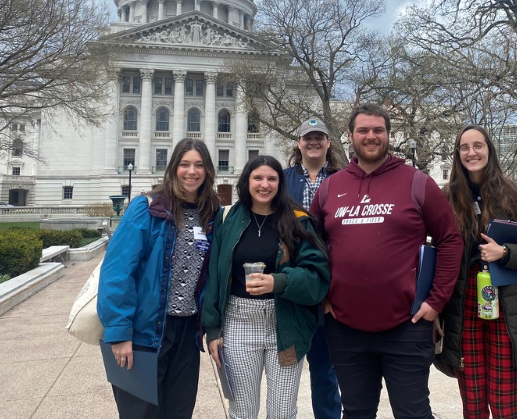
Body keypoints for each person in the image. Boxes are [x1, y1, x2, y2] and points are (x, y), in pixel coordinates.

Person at [310, 103, 464, 419]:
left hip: (406, 326)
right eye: (363, 130)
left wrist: (435, 302)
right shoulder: (331, 187)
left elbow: (450, 240)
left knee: (413, 413)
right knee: (356, 412)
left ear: (388, 135)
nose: (371, 136)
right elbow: (309, 247)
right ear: (350, 136)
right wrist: (323, 297)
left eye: (378, 130)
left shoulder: (418, 183)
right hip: (345, 326)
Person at [97, 138, 222, 419]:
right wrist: (119, 332)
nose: (192, 171)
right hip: (144, 331)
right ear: (173, 168)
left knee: (179, 411)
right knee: (140, 413)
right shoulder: (146, 208)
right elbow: (118, 272)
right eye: (185, 164)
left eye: (199, 165)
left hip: (186, 333)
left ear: (208, 171)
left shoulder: (210, 214)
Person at [203, 155, 331, 419]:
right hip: (238, 323)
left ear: (280, 183)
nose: (264, 184)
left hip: (285, 323)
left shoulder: (298, 221)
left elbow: (318, 276)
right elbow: (214, 276)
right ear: (247, 182)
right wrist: (213, 328)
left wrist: (278, 281)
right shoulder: (228, 220)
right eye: (258, 178)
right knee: (243, 410)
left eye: (271, 178)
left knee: (282, 412)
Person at [435, 125, 517, 419]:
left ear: (490, 149)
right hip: (464, 302)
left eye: (478, 146)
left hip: (507, 303)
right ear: (457, 154)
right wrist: (436, 309)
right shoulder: (447, 197)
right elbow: (437, 254)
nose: (472, 153)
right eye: (464, 147)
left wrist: (506, 253)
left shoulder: (515, 194)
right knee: (472, 399)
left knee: (505, 399)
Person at [283, 118, 344, 419]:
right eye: (308, 138)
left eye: (319, 137)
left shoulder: (344, 178)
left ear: (328, 143)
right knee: (285, 375)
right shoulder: (281, 179)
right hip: (295, 284)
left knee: (325, 373)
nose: (313, 142)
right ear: (299, 143)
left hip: (331, 285)